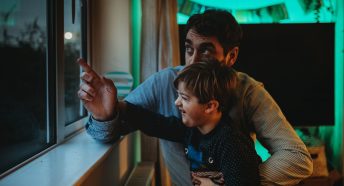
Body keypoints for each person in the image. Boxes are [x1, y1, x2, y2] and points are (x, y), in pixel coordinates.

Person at [78, 10, 313, 185]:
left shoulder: (248, 92)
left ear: (231, 57)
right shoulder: (164, 82)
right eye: (189, 49)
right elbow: (123, 128)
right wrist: (105, 115)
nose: (192, 61)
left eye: (206, 51)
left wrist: (233, 181)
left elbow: (297, 158)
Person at [118, 60, 261, 185]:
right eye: (178, 96)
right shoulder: (192, 130)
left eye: (184, 98)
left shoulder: (231, 144)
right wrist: (118, 107)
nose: (176, 102)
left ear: (210, 106)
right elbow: (156, 124)